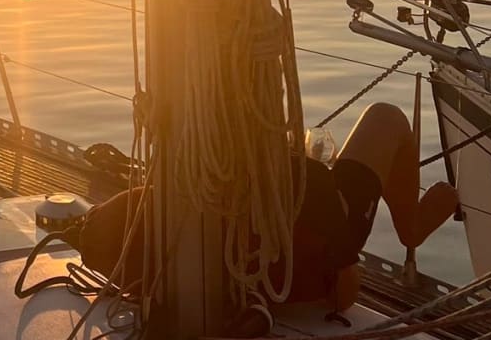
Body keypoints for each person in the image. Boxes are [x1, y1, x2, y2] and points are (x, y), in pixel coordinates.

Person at [66, 102, 458, 324]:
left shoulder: (173, 276)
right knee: (385, 117)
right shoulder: (225, 182)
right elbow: (345, 287)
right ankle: (413, 227)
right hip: (325, 259)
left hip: (289, 266)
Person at [286, 101, 458, 313]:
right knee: (386, 115)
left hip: (251, 276)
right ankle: (411, 227)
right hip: (300, 276)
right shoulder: (309, 180)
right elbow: (344, 296)